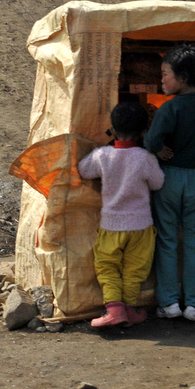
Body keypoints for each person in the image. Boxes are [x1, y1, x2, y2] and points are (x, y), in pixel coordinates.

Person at [147, 43, 195, 321]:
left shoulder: (170, 108)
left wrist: (160, 150)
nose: (162, 80)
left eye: (165, 74)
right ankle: (194, 305)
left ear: (182, 77)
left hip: (169, 178)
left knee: (167, 239)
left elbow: (151, 141)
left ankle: (169, 303)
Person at [77, 101, 165, 328]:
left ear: (113, 130)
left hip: (111, 226)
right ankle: (129, 309)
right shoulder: (145, 157)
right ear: (144, 132)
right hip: (141, 226)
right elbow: (158, 183)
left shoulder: (102, 155)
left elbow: (83, 170)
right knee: (135, 270)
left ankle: (114, 310)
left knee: (108, 266)